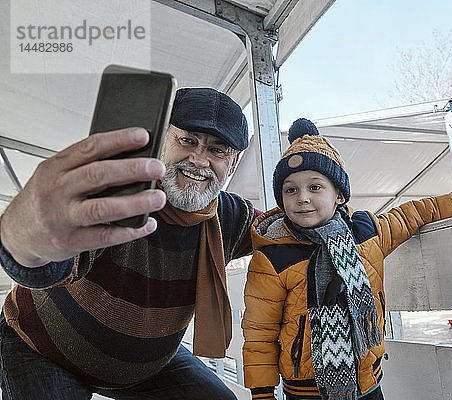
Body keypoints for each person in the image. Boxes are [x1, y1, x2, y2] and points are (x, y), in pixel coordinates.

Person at [0, 88, 261, 399]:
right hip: (41, 348)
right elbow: (48, 264)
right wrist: (22, 242)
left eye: (218, 150)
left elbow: (288, 231)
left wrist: (323, 190)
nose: (199, 160)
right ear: (162, 137)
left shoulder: (232, 218)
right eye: (188, 141)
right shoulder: (118, 191)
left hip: (147, 371)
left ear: (233, 163)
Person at [241, 118, 452, 400]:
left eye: (315, 187)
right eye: (290, 189)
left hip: (368, 380)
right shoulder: (273, 254)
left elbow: (411, 215)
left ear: (339, 195)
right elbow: (259, 331)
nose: (302, 198)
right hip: (305, 390)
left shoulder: (365, 233)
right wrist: (262, 393)